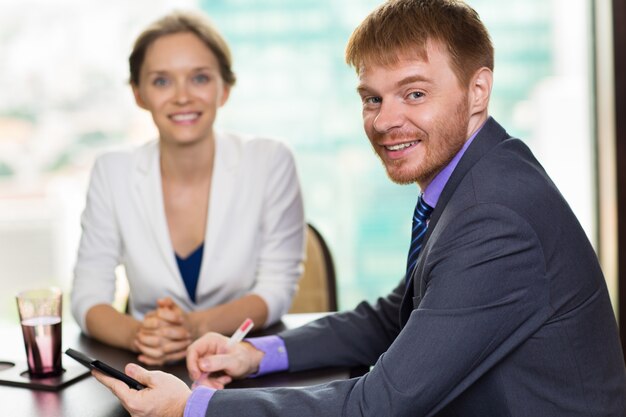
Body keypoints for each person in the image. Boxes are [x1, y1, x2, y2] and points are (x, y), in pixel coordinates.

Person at [93, 0, 626, 415]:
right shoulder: (479, 176)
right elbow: (394, 317)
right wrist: (258, 355)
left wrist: (192, 406)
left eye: (414, 94)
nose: (385, 120)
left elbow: (380, 405)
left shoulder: (495, 217)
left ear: (478, 90)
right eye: (372, 98)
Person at [71, 11, 306, 366]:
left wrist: (194, 326)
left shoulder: (270, 160)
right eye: (162, 81)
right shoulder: (112, 171)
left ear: (224, 89)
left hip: (242, 361)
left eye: (199, 78)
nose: (182, 97)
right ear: (139, 93)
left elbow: (275, 290)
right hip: (149, 363)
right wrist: (139, 333)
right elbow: (88, 296)